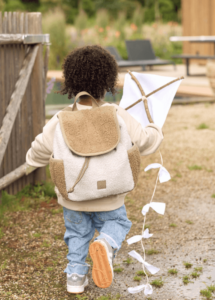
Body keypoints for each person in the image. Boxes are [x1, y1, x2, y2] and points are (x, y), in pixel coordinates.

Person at [26, 45, 163, 294]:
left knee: (77, 235)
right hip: (110, 196)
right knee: (118, 223)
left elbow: (40, 148)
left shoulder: (61, 119)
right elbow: (145, 141)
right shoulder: (117, 114)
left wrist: (30, 161)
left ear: (71, 81)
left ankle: (76, 277)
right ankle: (105, 244)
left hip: (74, 196)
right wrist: (156, 129)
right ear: (107, 81)